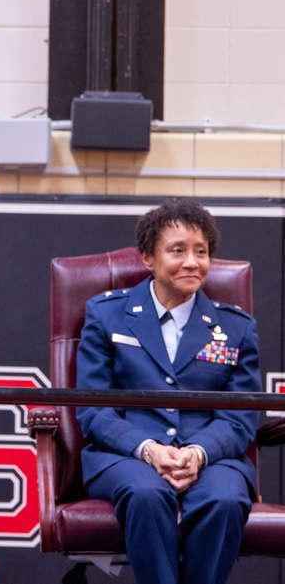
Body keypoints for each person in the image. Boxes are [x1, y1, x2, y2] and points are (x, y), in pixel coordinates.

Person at [76, 199, 260, 584]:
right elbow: (94, 409)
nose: (192, 262)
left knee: (224, 500)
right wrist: (150, 450)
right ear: (148, 258)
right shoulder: (106, 314)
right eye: (177, 251)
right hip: (125, 455)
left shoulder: (235, 328)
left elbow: (240, 415)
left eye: (201, 252)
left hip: (211, 457)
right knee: (146, 494)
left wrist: (197, 452)